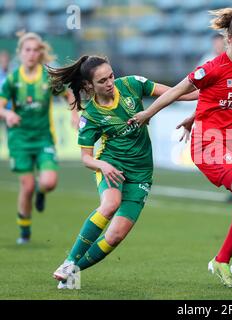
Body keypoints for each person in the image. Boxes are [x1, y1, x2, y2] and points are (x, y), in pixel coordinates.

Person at [130, 8, 232, 288]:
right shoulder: (211, 68)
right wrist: (147, 114)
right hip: (208, 144)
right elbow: (177, 90)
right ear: (229, 39)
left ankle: (220, 260)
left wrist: (195, 115)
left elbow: (217, 98)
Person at [47, 55, 198, 289]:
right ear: (89, 86)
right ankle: (69, 261)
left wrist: (211, 92)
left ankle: (72, 272)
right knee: (110, 204)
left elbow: (178, 93)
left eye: (111, 76)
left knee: (115, 236)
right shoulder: (91, 116)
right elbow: (86, 158)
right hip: (112, 165)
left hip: (141, 172)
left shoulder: (131, 84)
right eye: (102, 80)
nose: (110, 83)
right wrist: (103, 165)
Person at [0, 32, 77, 245]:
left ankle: (41, 191)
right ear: (20, 53)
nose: (32, 54)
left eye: (35, 50)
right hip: (20, 140)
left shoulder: (48, 78)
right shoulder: (13, 80)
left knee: (50, 182)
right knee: (26, 187)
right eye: (27, 50)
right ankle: (24, 232)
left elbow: (69, 94)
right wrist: (8, 114)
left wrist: (73, 113)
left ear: (40, 53)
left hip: (44, 138)